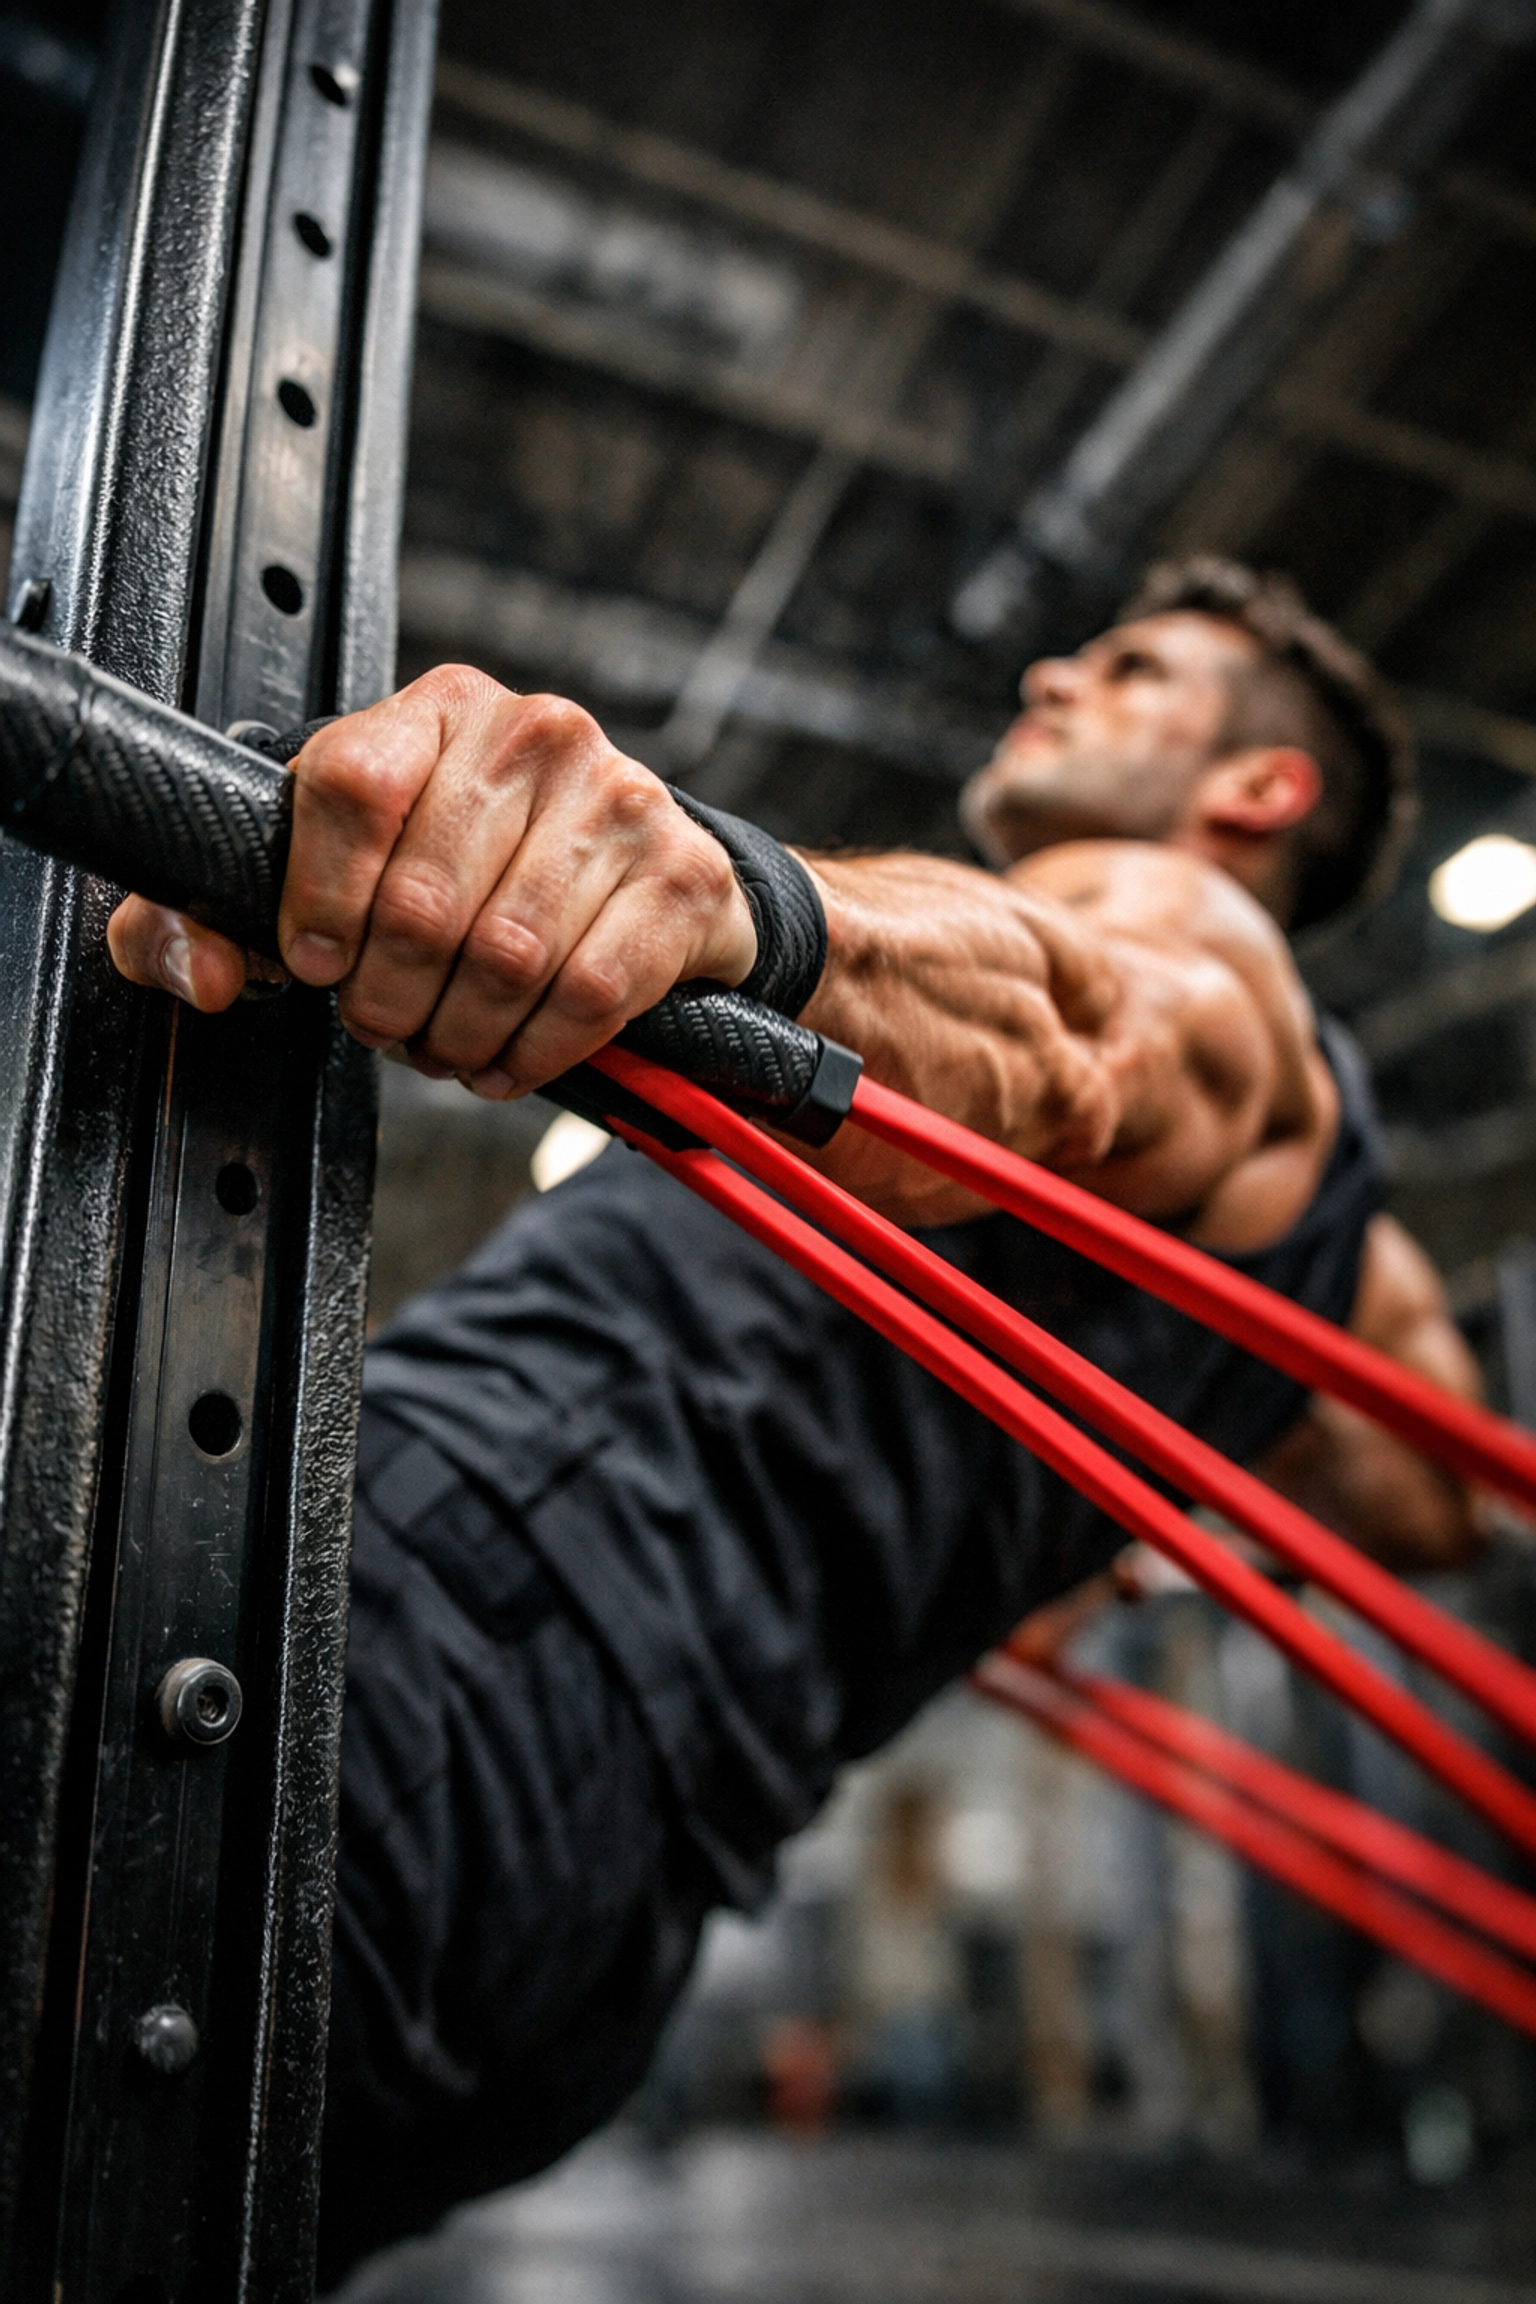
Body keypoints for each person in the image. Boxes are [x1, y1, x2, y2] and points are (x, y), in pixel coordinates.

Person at [106, 555, 1482, 2274]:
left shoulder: (1186, 935)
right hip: (608, 1901)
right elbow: (1437, 1490)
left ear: (1258, 792)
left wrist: (733, 894)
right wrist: (1101, 1505)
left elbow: (1076, 1028)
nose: (1055, 671)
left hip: (457, 1623)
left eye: (1134, 672)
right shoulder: (1342, 1254)